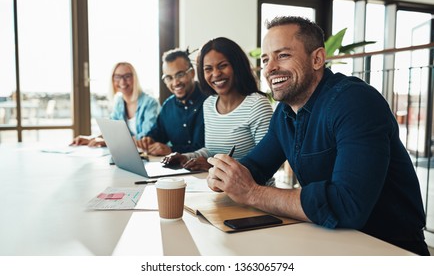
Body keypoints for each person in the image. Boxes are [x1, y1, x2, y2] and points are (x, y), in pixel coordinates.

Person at [207, 16, 430, 256]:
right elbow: (255, 166)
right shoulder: (284, 112)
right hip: (329, 241)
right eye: (265, 59)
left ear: (317, 59)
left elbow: (347, 205)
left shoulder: (355, 102)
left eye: (282, 55)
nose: (270, 68)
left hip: (389, 250)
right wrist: (225, 174)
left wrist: (252, 192)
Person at [162, 37, 273, 172]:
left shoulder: (257, 105)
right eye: (208, 69)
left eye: (222, 66)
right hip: (215, 187)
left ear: (236, 66)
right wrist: (185, 157)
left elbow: (268, 162)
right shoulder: (209, 104)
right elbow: (210, 151)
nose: (216, 74)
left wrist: (214, 166)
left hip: (251, 191)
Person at [136, 48, 207, 155]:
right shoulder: (168, 106)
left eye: (180, 75)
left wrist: (171, 150)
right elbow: (159, 132)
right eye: (169, 78)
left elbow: (207, 148)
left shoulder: (210, 101)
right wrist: (149, 139)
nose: (175, 83)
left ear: (192, 73)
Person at [71, 62, 159, 147]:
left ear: (134, 78)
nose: (122, 81)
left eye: (127, 76)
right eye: (117, 77)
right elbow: (112, 131)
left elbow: (146, 137)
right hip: (130, 153)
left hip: (152, 154)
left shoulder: (150, 103)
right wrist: (91, 138)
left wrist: (108, 142)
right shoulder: (119, 102)